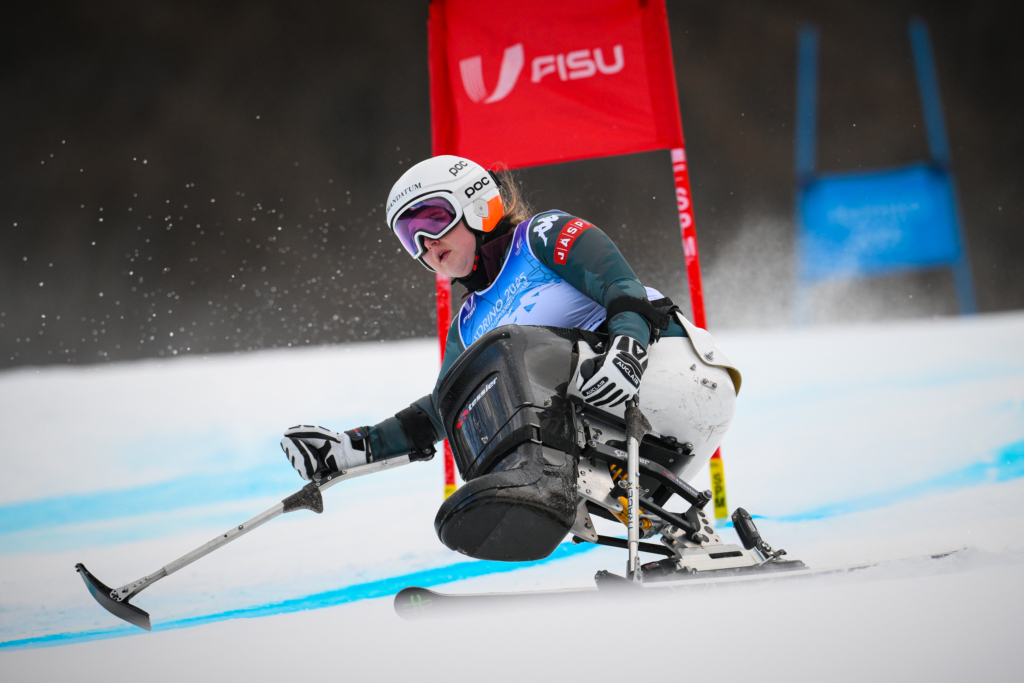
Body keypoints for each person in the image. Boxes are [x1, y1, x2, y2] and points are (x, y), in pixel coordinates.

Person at [281, 155, 740, 560]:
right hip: (612, 433)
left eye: (433, 220)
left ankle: (535, 483)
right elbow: (443, 409)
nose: (425, 242)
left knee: (507, 351)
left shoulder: (539, 236)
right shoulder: (467, 324)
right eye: (409, 236)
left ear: (477, 205)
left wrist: (627, 350)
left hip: (671, 373)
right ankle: (682, 535)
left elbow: (621, 286)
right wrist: (355, 448)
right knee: (474, 394)